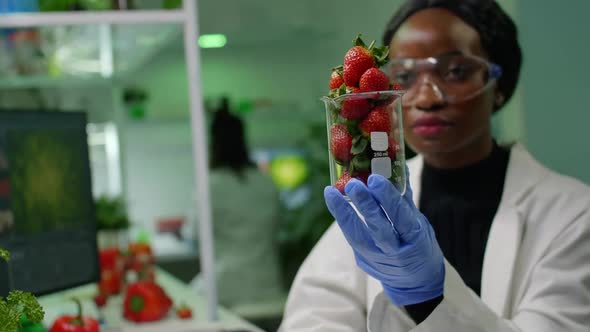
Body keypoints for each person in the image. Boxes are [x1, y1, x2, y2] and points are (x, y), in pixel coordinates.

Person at [280, 1, 590, 331]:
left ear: (498, 85)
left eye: (456, 71)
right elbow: (313, 319)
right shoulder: (374, 199)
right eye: (404, 76)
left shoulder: (572, 214)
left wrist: (429, 298)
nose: (426, 98)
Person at [192, 97, 284, 311]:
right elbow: (277, 226)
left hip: (226, 287)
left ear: (212, 142)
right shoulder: (265, 180)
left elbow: (195, 234)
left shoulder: (211, 184)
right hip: (268, 284)